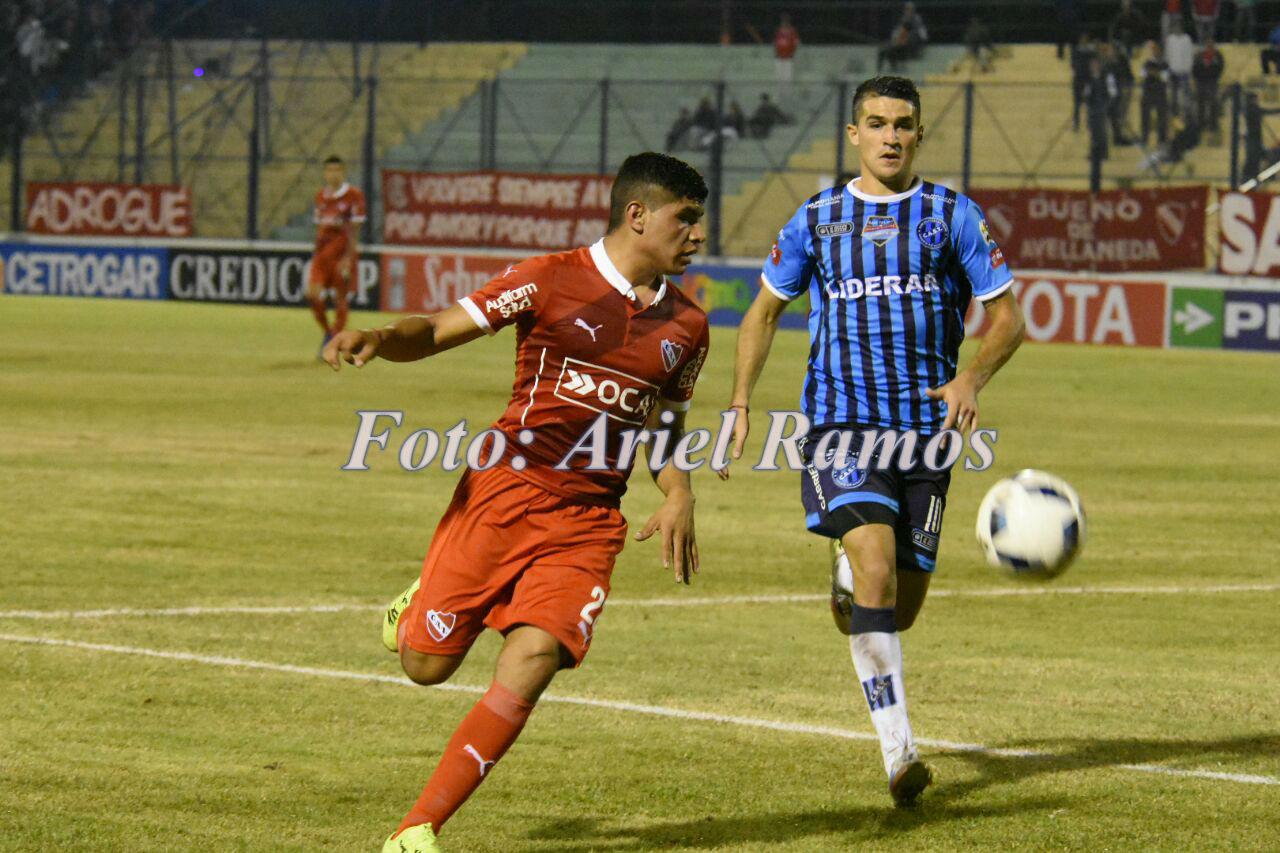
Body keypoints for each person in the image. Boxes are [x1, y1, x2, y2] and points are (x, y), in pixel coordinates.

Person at [325, 152, 711, 853]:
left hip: (588, 520)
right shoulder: (550, 278)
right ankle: (416, 607)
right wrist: (380, 339)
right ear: (638, 215)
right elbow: (440, 329)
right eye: (686, 219)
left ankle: (416, 829)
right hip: (504, 494)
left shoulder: (688, 326)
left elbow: (664, 420)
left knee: (535, 657)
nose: (698, 234)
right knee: (425, 665)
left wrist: (679, 489)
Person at [724, 75, 1025, 808]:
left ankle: (846, 578)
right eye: (876, 123)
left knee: (900, 603)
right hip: (840, 426)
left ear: (919, 135)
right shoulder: (818, 219)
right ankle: (900, 756)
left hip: (926, 438)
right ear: (853, 134)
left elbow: (1008, 318)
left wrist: (970, 379)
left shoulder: (952, 215)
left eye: (903, 124)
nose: (891, 135)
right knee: (879, 574)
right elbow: (763, 312)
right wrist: (740, 402)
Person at [307, 155, 366, 356]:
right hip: (322, 256)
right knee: (313, 295)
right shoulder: (321, 197)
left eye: (337, 170)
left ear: (343, 172)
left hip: (342, 256)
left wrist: (349, 258)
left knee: (340, 299)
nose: (333, 174)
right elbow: (319, 230)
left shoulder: (354, 195)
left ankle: (332, 338)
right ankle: (329, 333)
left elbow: (355, 230)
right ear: (325, 173)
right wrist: (316, 254)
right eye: (330, 170)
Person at [1083, 55, 1119, 187]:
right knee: (1093, 131)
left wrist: (1106, 106)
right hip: (1093, 108)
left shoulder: (1107, 76)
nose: (1093, 67)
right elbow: (1087, 93)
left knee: (1102, 131)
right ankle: (1094, 152)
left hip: (1103, 107)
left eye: (1095, 64)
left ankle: (1104, 153)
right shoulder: (1090, 79)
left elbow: (1113, 92)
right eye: (1091, 65)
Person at [877, 3, 928, 72]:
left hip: (908, 44)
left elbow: (919, 33)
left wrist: (902, 40)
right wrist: (895, 39)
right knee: (884, 50)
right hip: (898, 43)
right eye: (906, 9)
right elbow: (897, 31)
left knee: (893, 49)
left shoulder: (916, 19)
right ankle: (879, 71)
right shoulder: (903, 19)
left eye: (909, 9)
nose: (908, 11)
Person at [1103, 41, 1136, 144]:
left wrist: (1128, 88)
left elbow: (1129, 76)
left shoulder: (1122, 61)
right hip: (1111, 94)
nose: (1111, 52)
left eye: (1112, 50)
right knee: (1112, 115)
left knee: (1118, 115)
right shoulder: (1107, 63)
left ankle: (1118, 137)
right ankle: (1115, 137)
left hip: (1121, 92)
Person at [1140, 40, 1172, 145]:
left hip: (1160, 93)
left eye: (1157, 50)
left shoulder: (1165, 64)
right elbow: (1142, 74)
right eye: (1154, 50)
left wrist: (1152, 72)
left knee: (1162, 118)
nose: (1155, 52)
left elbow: (1165, 78)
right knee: (1145, 117)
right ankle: (1144, 139)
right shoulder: (1147, 62)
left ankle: (1162, 140)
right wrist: (1156, 73)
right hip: (1148, 92)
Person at [1191, 37, 1224, 133]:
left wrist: (1213, 75)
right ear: (1205, 45)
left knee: (1214, 103)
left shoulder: (1217, 55)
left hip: (1212, 82)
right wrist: (1198, 78)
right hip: (1201, 82)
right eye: (1208, 44)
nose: (1210, 46)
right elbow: (1195, 68)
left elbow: (1220, 68)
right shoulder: (1199, 55)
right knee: (1201, 104)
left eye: (1211, 44)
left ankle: (1213, 125)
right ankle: (1201, 125)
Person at [1165, 18, 1194, 113]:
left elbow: (1190, 55)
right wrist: (1169, 67)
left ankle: (1188, 114)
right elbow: (1168, 54)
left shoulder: (1187, 38)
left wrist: (1189, 69)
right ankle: (1174, 113)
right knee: (1173, 95)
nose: (1177, 28)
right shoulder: (1170, 39)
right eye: (1175, 26)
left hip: (1184, 71)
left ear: (1182, 27)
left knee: (1187, 95)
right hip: (1173, 71)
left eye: (1179, 26)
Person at [1071, 32, 1099, 130]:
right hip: (1079, 79)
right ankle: (1076, 123)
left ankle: (1089, 122)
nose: (1084, 41)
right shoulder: (1077, 51)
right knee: (1077, 103)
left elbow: (1095, 64)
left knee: (1089, 101)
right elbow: (1073, 65)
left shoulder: (1090, 52)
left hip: (1088, 80)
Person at [774, 13, 799, 101]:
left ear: (789, 23)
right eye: (783, 22)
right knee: (779, 77)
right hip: (779, 58)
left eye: (786, 22)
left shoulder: (792, 33)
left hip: (788, 59)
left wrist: (791, 53)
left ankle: (787, 95)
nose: (784, 23)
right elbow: (776, 45)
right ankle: (780, 95)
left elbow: (796, 44)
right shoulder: (779, 32)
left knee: (788, 78)